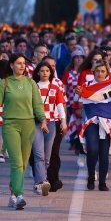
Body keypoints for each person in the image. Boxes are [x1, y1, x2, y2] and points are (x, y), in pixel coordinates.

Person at [0, 54, 48, 209]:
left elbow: (37, 104)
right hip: (10, 125)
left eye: (23, 63)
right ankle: (20, 196)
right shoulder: (4, 83)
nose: (22, 66)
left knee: (23, 163)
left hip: (28, 125)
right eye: (18, 63)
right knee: (16, 162)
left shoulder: (30, 83)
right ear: (12, 65)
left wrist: (43, 120)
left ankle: (13, 195)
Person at [79, 60, 111, 191]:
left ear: (107, 73)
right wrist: (79, 92)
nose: (100, 74)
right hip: (91, 121)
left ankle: (102, 182)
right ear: (93, 72)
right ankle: (91, 177)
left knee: (103, 153)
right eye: (97, 71)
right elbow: (80, 102)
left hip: (107, 123)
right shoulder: (87, 85)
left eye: (103, 71)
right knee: (92, 149)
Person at [31, 61, 67, 195]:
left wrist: (63, 122)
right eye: (42, 71)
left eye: (47, 71)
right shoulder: (33, 86)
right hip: (36, 123)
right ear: (38, 73)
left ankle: (40, 180)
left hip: (51, 123)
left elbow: (60, 105)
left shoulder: (55, 87)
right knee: (38, 154)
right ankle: (41, 182)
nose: (45, 73)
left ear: (50, 73)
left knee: (47, 156)